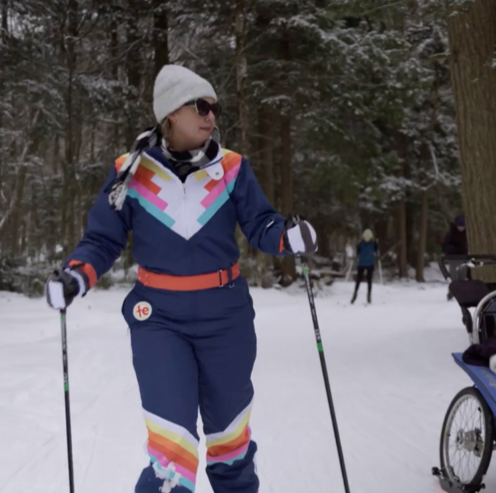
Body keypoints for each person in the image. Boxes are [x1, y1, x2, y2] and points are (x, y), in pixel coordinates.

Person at [43, 64, 318, 493]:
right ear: (171, 112)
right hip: (159, 319)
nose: (211, 116)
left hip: (226, 317)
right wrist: (75, 276)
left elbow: (261, 224)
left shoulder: (231, 168)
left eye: (215, 108)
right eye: (201, 106)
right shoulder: (131, 172)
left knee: (230, 443)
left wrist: (288, 237)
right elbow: (102, 239)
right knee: (171, 451)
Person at [442, 215, 468, 300]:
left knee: (462, 276)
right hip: (453, 258)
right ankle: (451, 293)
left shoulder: (466, 233)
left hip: (463, 258)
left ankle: (461, 293)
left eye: (463, 226)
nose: (461, 228)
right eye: (460, 226)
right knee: (454, 277)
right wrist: (453, 249)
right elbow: (445, 246)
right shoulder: (451, 234)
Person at [351, 228, 378, 304]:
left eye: (368, 237)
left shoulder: (373, 244)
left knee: (369, 280)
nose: (366, 238)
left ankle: (369, 295)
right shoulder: (360, 244)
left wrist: (377, 248)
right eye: (365, 237)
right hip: (361, 263)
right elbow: (357, 252)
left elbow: (376, 251)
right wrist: (355, 256)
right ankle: (355, 294)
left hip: (370, 263)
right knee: (358, 280)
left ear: (370, 237)